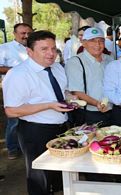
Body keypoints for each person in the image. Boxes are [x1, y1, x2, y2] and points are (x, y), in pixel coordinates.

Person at [3, 30, 73, 195]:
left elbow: (63, 92)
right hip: (34, 131)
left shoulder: (57, 68)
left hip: (61, 127)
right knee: (39, 176)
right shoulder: (18, 74)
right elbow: (11, 111)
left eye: (53, 48)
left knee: (58, 172)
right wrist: (49, 105)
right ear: (29, 51)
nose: (51, 53)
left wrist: (71, 98)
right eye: (44, 49)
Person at [65, 27, 113, 127]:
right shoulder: (75, 62)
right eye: (92, 41)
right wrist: (97, 104)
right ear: (84, 43)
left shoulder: (110, 60)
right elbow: (77, 91)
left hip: (113, 111)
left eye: (101, 41)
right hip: (90, 114)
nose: (97, 44)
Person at [0, 23, 33, 160]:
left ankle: (26, 146)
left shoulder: (34, 47)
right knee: (14, 121)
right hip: (13, 88)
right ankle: (12, 148)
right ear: (14, 33)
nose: (26, 36)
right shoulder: (5, 48)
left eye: (28, 33)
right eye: (23, 33)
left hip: (33, 88)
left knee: (31, 117)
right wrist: (18, 71)